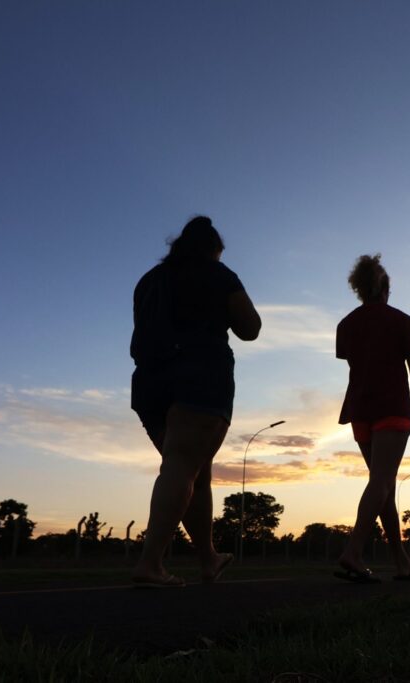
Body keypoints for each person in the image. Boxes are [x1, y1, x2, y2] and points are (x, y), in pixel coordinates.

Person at [130, 216, 261, 588]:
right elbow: (250, 328)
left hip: (149, 383)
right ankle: (150, 563)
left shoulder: (149, 281)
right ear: (213, 249)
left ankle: (208, 558)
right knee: (182, 466)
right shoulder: (217, 274)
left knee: (194, 472)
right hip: (199, 376)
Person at [335, 254, 410, 583]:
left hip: (359, 411)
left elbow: (357, 366)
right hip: (392, 407)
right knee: (381, 482)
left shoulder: (346, 325)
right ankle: (353, 551)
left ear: (359, 288)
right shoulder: (402, 321)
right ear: (385, 287)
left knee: (384, 487)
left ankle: (401, 562)